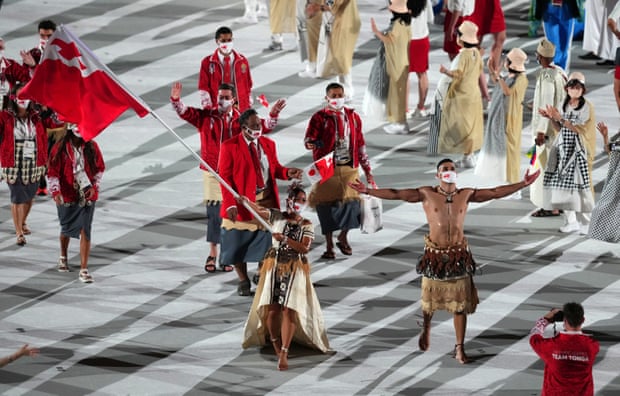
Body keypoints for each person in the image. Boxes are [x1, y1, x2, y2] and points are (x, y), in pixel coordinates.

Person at [349, 158, 540, 363]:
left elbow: (494, 192)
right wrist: (368, 191)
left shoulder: (465, 194)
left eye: (452, 169)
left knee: (460, 306)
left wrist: (523, 184)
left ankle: (459, 347)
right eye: (445, 169)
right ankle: (426, 326)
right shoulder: (426, 194)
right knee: (430, 301)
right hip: (435, 256)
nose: (449, 171)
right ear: (437, 175)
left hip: (458, 257)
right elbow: (397, 194)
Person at [170, 81, 286, 273]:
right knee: (214, 214)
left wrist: (273, 114)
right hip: (212, 171)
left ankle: (228, 254)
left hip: (236, 174)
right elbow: (184, 112)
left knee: (233, 216)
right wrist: (175, 100)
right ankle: (213, 252)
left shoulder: (242, 119)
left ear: (233, 100)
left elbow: (264, 127)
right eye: (219, 97)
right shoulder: (207, 116)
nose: (221, 100)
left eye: (225, 97)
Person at [242, 182, 330, 371]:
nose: (300, 203)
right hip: (273, 266)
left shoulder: (306, 224)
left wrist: (286, 240)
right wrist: (245, 201)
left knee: (289, 309)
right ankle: (275, 344)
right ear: (289, 200)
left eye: (303, 201)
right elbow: (257, 210)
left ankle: (284, 350)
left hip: (293, 267)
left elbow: (304, 248)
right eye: (298, 200)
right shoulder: (276, 216)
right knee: (272, 309)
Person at [218, 109, 303, 296]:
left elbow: (275, 169)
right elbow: (224, 177)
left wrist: (288, 173)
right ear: (244, 128)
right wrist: (231, 203)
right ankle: (242, 280)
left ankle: (260, 271)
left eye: (260, 124)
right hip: (242, 202)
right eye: (255, 125)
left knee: (268, 242)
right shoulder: (229, 146)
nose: (259, 128)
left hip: (266, 201)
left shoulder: (268, 144)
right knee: (236, 243)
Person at [304, 82, 374, 259]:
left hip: (350, 167)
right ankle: (329, 245)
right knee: (326, 208)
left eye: (339, 95)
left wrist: (368, 171)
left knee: (353, 206)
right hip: (327, 168)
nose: (337, 99)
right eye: (333, 96)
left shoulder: (354, 117)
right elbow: (308, 140)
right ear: (326, 98)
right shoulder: (319, 117)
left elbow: (360, 144)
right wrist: (312, 143)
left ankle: (343, 236)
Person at [539, 72, 595, 234]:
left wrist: (560, 118)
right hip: (564, 149)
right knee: (562, 187)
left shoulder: (587, 107)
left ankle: (586, 223)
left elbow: (578, 129)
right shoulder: (564, 104)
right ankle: (570, 221)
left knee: (580, 188)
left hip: (579, 152)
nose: (574, 90)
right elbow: (560, 129)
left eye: (577, 87)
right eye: (571, 87)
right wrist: (551, 118)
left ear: (583, 90)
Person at [47, 125, 105, 283]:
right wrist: (55, 191)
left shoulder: (92, 146)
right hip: (67, 193)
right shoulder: (60, 148)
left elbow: (100, 168)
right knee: (66, 228)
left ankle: (84, 269)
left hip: (87, 194)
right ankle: (63, 256)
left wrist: (94, 187)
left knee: (85, 229)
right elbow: (52, 172)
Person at [0, 84, 56, 246]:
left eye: (26, 96)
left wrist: (49, 105)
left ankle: (23, 221)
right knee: (17, 197)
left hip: (34, 160)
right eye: (20, 96)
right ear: (13, 98)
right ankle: (18, 232)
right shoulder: (5, 116)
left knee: (29, 196)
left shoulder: (37, 116)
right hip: (13, 159)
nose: (23, 100)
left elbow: (56, 123)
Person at [474, 48, 528, 193]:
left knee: (510, 153)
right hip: (501, 118)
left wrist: (498, 77)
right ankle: (507, 183)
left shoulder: (522, 79)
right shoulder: (510, 76)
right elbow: (498, 82)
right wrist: (491, 70)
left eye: (506, 60)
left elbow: (508, 91)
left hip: (510, 121)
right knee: (503, 152)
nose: (504, 62)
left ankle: (514, 186)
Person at [437, 20, 484, 168]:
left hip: (461, 95)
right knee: (470, 126)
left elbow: (458, 73)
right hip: (473, 93)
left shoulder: (463, 56)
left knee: (460, 126)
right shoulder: (476, 53)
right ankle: (469, 155)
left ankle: (467, 156)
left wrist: (445, 71)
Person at [529, 38, 567, 218]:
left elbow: (546, 100)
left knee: (544, 168)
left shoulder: (546, 76)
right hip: (559, 127)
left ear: (540, 57)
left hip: (548, 132)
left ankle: (550, 206)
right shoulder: (560, 72)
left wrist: (540, 132)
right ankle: (558, 203)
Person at [529, 303, 599, 396]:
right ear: (583, 320)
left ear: (564, 320)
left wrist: (545, 319)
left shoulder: (550, 346)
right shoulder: (592, 345)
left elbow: (534, 335)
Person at [365, 0, 412, 135]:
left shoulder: (397, 24)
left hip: (396, 62)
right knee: (399, 93)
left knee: (396, 94)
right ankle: (401, 121)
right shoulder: (407, 23)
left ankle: (399, 123)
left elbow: (390, 39)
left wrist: (376, 32)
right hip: (403, 60)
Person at [198, 26, 253, 112]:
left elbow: (248, 84)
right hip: (217, 106)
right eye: (223, 41)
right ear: (217, 42)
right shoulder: (207, 62)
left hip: (239, 106)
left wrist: (248, 105)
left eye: (229, 40)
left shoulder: (242, 61)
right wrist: (207, 107)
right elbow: (203, 87)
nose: (227, 43)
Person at [315, 0, 361, 100]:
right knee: (336, 58)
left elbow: (341, 8)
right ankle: (341, 89)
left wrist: (327, 8)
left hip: (342, 26)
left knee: (342, 59)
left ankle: (347, 91)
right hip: (332, 24)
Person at [588, 122, 620, 242]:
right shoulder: (617, 137)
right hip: (616, 179)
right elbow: (610, 153)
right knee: (603, 208)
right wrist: (605, 136)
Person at [532, 0, 581, 70]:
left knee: (564, 47)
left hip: (566, 8)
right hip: (549, 8)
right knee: (552, 46)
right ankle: (553, 73)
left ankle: (562, 73)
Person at [407, 0, 433, 118]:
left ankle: (405, 109)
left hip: (406, 38)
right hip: (422, 38)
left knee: (404, 75)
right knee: (422, 73)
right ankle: (421, 107)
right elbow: (430, 19)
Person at [297, 0, 323, 77]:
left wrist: (320, 7)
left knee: (312, 38)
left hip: (315, 8)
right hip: (315, 7)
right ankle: (316, 66)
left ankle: (313, 67)